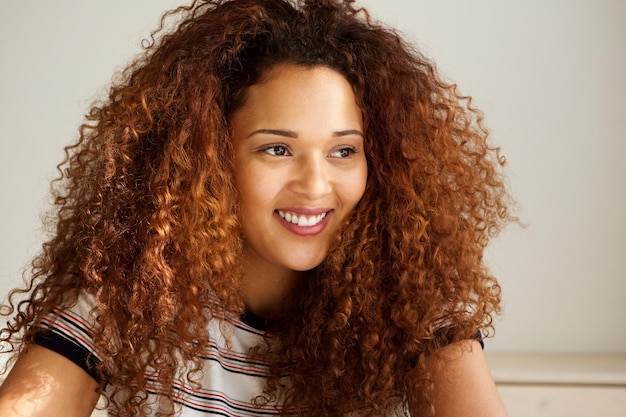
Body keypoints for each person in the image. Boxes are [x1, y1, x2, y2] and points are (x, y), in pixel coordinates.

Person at [0, 0, 513, 416]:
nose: (317, 186)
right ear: (206, 159)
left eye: (343, 151)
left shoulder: (418, 309)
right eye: (277, 149)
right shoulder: (128, 299)